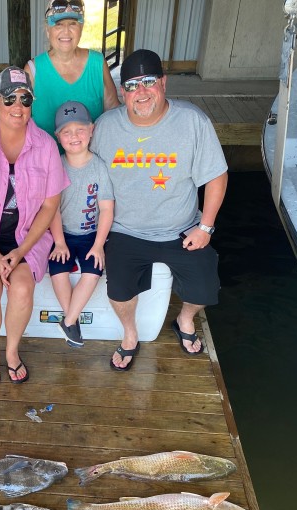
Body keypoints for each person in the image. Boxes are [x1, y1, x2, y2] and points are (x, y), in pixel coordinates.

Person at [90, 48, 228, 370]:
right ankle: (130, 334)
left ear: (164, 83)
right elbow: (78, 164)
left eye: (148, 81)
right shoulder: (105, 127)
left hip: (180, 228)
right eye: (132, 85)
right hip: (126, 229)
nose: (141, 92)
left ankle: (184, 320)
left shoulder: (192, 121)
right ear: (122, 92)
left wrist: (205, 227)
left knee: (206, 286)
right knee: (119, 291)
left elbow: (217, 175)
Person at [0, 66, 69, 384]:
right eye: (9, 99)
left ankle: (12, 352)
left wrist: (19, 252)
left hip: (27, 236)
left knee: (21, 287)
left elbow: (49, 205)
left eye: (25, 98)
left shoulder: (46, 146)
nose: (17, 107)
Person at [49, 101, 114, 347]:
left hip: (91, 234)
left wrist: (98, 245)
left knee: (93, 270)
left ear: (91, 129)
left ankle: (69, 321)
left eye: (80, 130)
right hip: (62, 233)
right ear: (58, 136)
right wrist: (58, 242)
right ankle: (72, 322)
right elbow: (51, 208)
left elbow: (107, 208)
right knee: (57, 269)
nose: (74, 136)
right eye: (66, 132)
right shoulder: (55, 165)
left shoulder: (99, 167)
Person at [24, 1, 119, 138]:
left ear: (81, 27)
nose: (66, 31)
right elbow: (18, 116)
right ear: (47, 30)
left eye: (73, 24)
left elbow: (113, 112)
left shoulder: (97, 63)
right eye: (58, 24)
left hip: (90, 156)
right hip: (46, 157)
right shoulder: (33, 70)